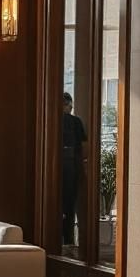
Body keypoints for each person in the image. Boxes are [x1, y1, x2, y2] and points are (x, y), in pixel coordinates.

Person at [62, 91, 87, 251]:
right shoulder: (75, 122)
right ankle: (69, 239)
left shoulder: (50, 119)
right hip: (71, 165)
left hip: (62, 164)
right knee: (69, 203)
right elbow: (84, 146)